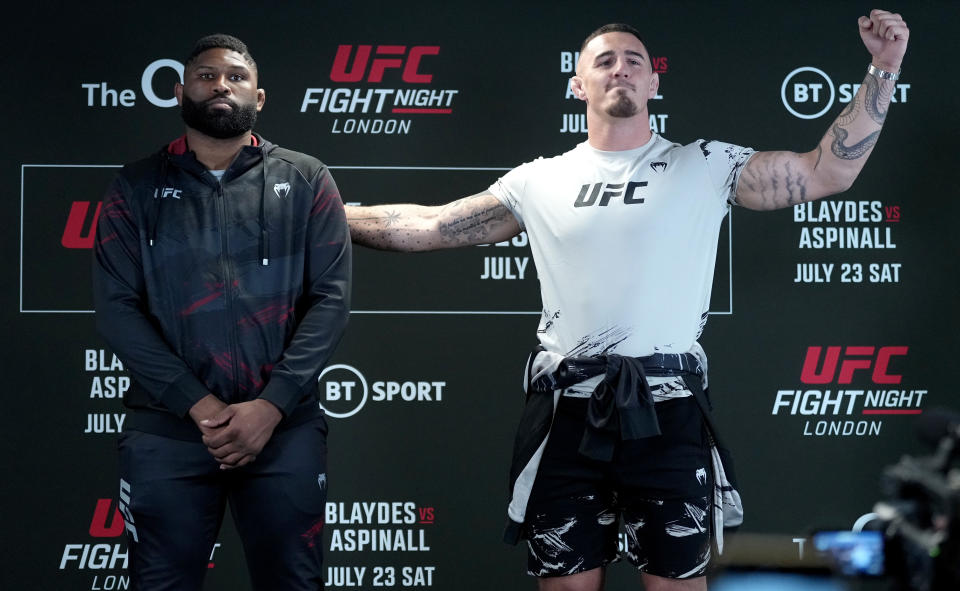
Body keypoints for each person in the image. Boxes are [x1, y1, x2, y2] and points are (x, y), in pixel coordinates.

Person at [344, 9, 907, 591]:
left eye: (634, 61)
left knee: (676, 586)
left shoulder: (706, 164)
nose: (621, 70)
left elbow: (827, 172)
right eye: (604, 61)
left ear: (653, 82)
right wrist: (321, 212)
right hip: (569, 412)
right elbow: (432, 225)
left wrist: (883, 67)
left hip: (667, 415)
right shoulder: (539, 180)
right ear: (577, 84)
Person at [92, 34, 350, 590]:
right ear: (181, 92)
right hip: (169, 431)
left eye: (236, 77)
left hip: (283, 430)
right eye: (207, 76)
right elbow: (117, 310)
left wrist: (271, 406)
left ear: (261, 97)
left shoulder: (307, 179)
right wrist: (200, 405)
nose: (221, 86)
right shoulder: (134, 187)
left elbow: (330, 301)